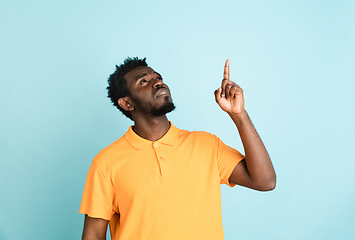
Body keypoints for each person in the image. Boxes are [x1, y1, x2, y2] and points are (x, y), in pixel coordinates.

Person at [80, 57, 276, 240]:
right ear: (126, 103)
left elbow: (265, 182)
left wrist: (239, 114)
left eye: (158, 78)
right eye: (143, 81)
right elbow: (93, 235)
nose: (158, 82)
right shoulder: (105, 163)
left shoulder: (207, 145)